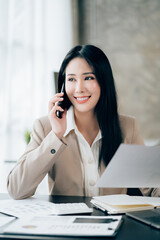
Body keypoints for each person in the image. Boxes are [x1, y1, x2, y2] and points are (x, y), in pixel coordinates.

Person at [7, 45, 159, 199]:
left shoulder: (127, 127)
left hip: (116, 221)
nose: (79, 88)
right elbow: (16, 190)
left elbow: (153, 190)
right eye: (71, 79)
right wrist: (56, 136)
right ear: (63, 86)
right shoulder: (45, 127)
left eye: (88, 78)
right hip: (65, 223)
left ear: (103, 81)